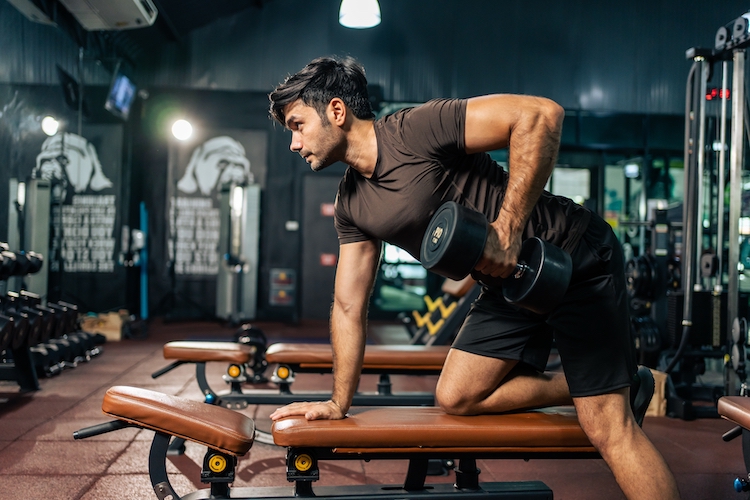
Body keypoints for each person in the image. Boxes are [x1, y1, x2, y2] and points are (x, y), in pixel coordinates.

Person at [268, 56, 680, 500]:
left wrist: (507, 231)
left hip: (572, 252)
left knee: (606, 426)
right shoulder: (352, 203)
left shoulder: (414, 130)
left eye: (297, 125)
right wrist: (338, 401)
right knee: (457, 396)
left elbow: (541, 115)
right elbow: (349, 306)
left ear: (336, 111)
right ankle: (618, 378)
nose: (294, 143)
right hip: (510, 286)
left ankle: (606, 389)